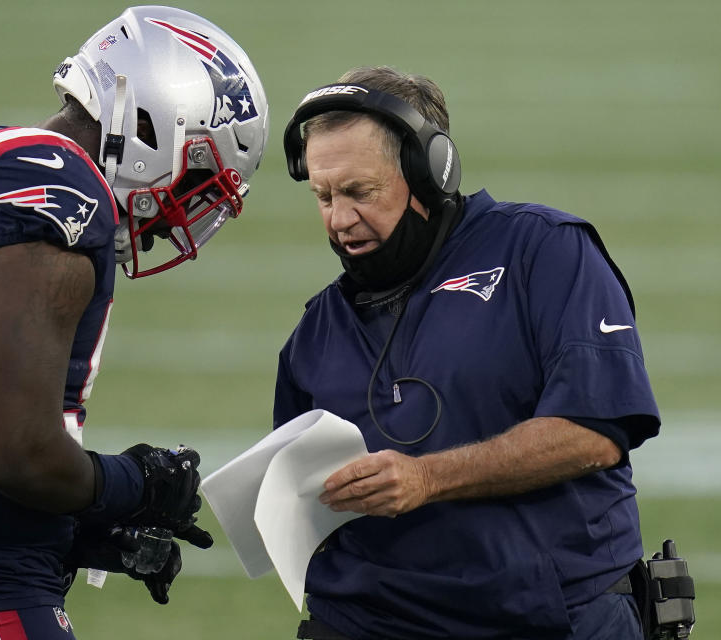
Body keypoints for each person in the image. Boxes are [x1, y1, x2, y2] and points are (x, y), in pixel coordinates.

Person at [0, 6, 268, 638]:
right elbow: (13, 450)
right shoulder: (62, 195)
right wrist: (136, 483)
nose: (181, 213)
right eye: (198, 175)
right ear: (150, 123)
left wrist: (81, 531)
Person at [276, 66, 659, 640]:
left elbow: (595, 430)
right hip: (369, 620)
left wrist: (428, 477)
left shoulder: (544, 251)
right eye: (323, 195)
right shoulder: (316, 330)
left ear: (430, 173)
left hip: (545, 617)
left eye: (360, 191)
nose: (338, 218)